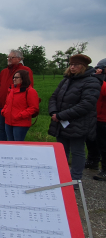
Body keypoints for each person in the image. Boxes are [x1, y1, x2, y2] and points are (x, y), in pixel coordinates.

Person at [48, 54, 102, 183]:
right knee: (61, 151)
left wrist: (61, 115)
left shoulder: (92, 81)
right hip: (61, 122)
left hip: (79, 123)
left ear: (83, 66)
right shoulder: (67, 80)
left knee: (77, 151)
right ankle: (61, 176)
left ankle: (75, 179)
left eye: (76, 65)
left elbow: (86, 104)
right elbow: (54, 96)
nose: (72, 67)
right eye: (71, 65)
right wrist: (54, 112)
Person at [0, 50, 34, 141]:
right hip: (2, 106)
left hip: (16, 108)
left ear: (19, 59)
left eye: (11, 57)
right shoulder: (4, 71)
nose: (9, 59)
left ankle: (12, 152)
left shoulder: (25, 70)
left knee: (14, 134)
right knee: (2, 129)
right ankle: (2, 149)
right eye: (8, 57)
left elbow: (28, 87)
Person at [1, 70, 39, 141]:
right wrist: (4, 111)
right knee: (10, 144)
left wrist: (20, 115)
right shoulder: (11, 90)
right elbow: (7, 103)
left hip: (20, 123)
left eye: (16, 77)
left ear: (23, 78)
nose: (14, 79)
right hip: (8, 121)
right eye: (13, 77)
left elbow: (33, 108)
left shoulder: (30, 91)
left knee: (18, 145)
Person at [85, 58, 106, 181]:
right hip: (94, 115)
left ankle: (104, 169)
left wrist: (98, 79)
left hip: (103, 118)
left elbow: (102, 91)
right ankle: (92, 161)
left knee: (103, 145)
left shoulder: (102, 82)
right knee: (92, 140)